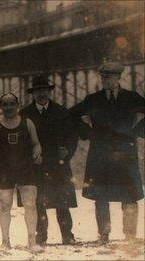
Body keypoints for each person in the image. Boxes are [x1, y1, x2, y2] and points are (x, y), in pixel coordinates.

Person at [69, 62, 145, 244]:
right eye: (103, 77)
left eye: (109, 77)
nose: (105, 80)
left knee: (129, 195)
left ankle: (130, 236)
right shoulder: (93, 99)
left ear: (118, 78)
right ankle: (104, 235)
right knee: (100, 196)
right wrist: (89, 133)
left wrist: (136, 132)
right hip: (101, 152)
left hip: (125, 151)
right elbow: (71, 115)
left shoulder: (132, 98)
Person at [0, 93, 43, 253]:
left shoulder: (27, 123)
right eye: (5, 104)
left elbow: (36, 144)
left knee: (30, 205)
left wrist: (37, 154)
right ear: (1, 106)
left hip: (26, 168)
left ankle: (32, 242)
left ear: (18, 105)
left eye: (11, 104)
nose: (9, 107)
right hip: (4, 170)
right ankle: (5, 241)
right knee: (4, 206)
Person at [20, 75, 78, 246]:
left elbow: (72, 136)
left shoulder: (62, 112)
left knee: (63, 202)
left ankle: (67, 235)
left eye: (44, 90)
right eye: (38, 91)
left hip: (58, 164)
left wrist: (67, 150)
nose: (42, 94)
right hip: (36, 164)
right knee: (39, 202)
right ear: (33, 94)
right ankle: (41, 236)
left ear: (49, 92)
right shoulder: (24, 115)